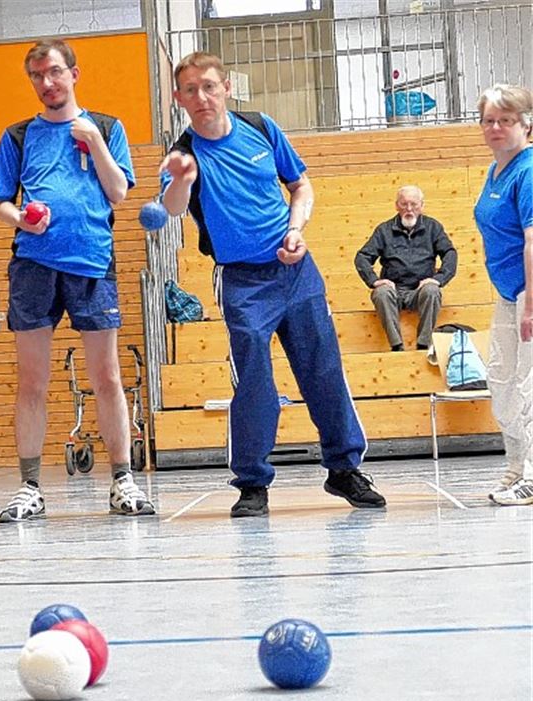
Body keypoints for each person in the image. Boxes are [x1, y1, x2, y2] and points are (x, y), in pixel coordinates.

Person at [159, 51, 386, 518]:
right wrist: (179, 181)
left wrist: (296, 229)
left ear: (225, 87)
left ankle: (344, 469)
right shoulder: (183, 155)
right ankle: (252, 483)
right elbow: (174, 207)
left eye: (208, 86)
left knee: (324, 369)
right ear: (178, 98)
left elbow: (300, 186)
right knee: (254, 380)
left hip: (297, 271)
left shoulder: (262, 128)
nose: (201, 97)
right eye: (189, 90)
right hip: (242, 283)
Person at [0, 38, 155, 522]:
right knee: (32, 380)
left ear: (74, 74)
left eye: (55, 73)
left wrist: (94, 143)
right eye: (37, 76)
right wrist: (21, 218)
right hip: (34, 266)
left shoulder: (106, 127)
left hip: (92, 262)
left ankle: (123, 480)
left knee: (107, 376)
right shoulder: (17, 136)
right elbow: (1, 202)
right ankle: (30, 487)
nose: (46, 83)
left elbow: (119, 191)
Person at [473, 83, 533, 506]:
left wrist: (531, 301)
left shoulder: (528, 171)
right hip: (507, 294)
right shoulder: (496, 171)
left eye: (505, 120)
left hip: (529, 295)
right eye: (489, 120)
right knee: (502, 380)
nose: (496, 127)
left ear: (525, 125)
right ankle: (515, 466)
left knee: (530, 386)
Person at [355, 185, 458, 351]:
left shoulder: (433, 227)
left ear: (421, 206)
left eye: (414, 204)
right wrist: (374, 281)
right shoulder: (384, 230)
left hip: (421, 290)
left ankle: (424, 344)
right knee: (381, 293)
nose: (409, 209)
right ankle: (396, 346)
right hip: (393, 291)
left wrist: (439, 279)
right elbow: (362, 257)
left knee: (432, 290)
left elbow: (450, 253)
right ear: (396, 206)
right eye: (404, 204)